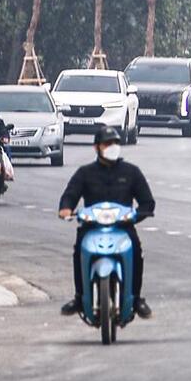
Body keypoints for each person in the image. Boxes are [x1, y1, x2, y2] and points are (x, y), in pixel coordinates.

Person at [57, 127, 155, 319]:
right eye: (107, 144)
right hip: (92, 228)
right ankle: (79, 297)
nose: (112, 147)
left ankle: (136, 299)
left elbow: (147, 201)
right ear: (97, 147)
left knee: (136, 252)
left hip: (122, 228)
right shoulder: (85, 173)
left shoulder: (131, 172)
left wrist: (138, 214)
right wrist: (66, 208)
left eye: (115, 143)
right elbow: (70, 195)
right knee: (79, 253)